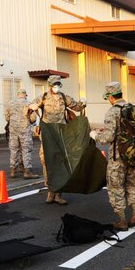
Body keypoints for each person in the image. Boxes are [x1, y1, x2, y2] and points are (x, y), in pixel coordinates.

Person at [89, 82, 135, 231]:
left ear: (111, 97)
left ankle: (121, 220)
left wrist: (94, 135)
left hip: (118, 157)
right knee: (131, 185)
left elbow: (108, 137)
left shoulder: (112, 112)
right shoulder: (133, 109)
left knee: (115, 187)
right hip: (133, 155)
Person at [28, 75, 86, 205]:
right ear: (49, 85)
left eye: (58, 84)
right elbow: (29, 113)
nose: (57, 87)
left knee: (60, 162)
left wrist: (83, 103)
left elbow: (77, 107)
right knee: (46, 161)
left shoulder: (64, 98)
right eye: (55, 84)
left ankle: (59, 193)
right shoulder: (42, 98)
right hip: (48, 134)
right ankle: (50, 191)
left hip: (61, 133)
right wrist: (32, 109)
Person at [5, 89, 39, 179]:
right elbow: (33, 119)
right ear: (25, 95)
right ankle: (27, 171)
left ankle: (13, 171)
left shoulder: (10, 103)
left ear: (17, 95)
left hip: (13, 130)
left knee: (14, 149)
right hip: (25, 130)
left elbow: (7, 117)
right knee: (26, 150)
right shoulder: (29, 104)